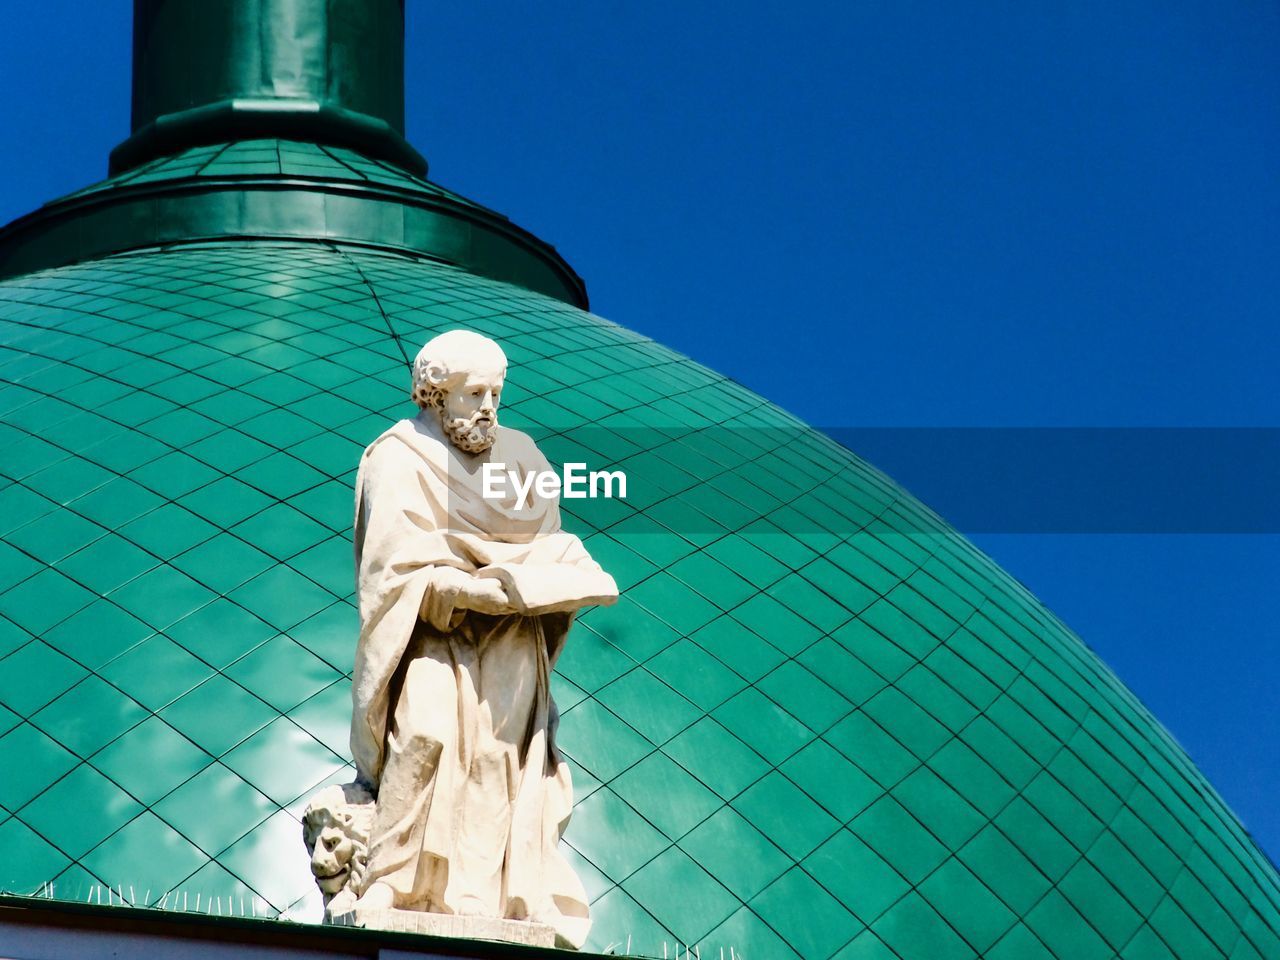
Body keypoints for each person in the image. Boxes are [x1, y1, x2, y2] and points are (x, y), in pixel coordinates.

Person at [348, 330, 616, 949]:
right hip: (433, 633)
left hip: (514, 634)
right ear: (436, 396)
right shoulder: (398, 456)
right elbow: (392, 573)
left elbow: (548, 542)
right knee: (425, 735)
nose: (488, 406)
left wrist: (533, 581)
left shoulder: (523, 458)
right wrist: (471, 587)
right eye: (474, 393)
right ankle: (391, 877)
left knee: (500, 756)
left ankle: (495, 892)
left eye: (496, 392)